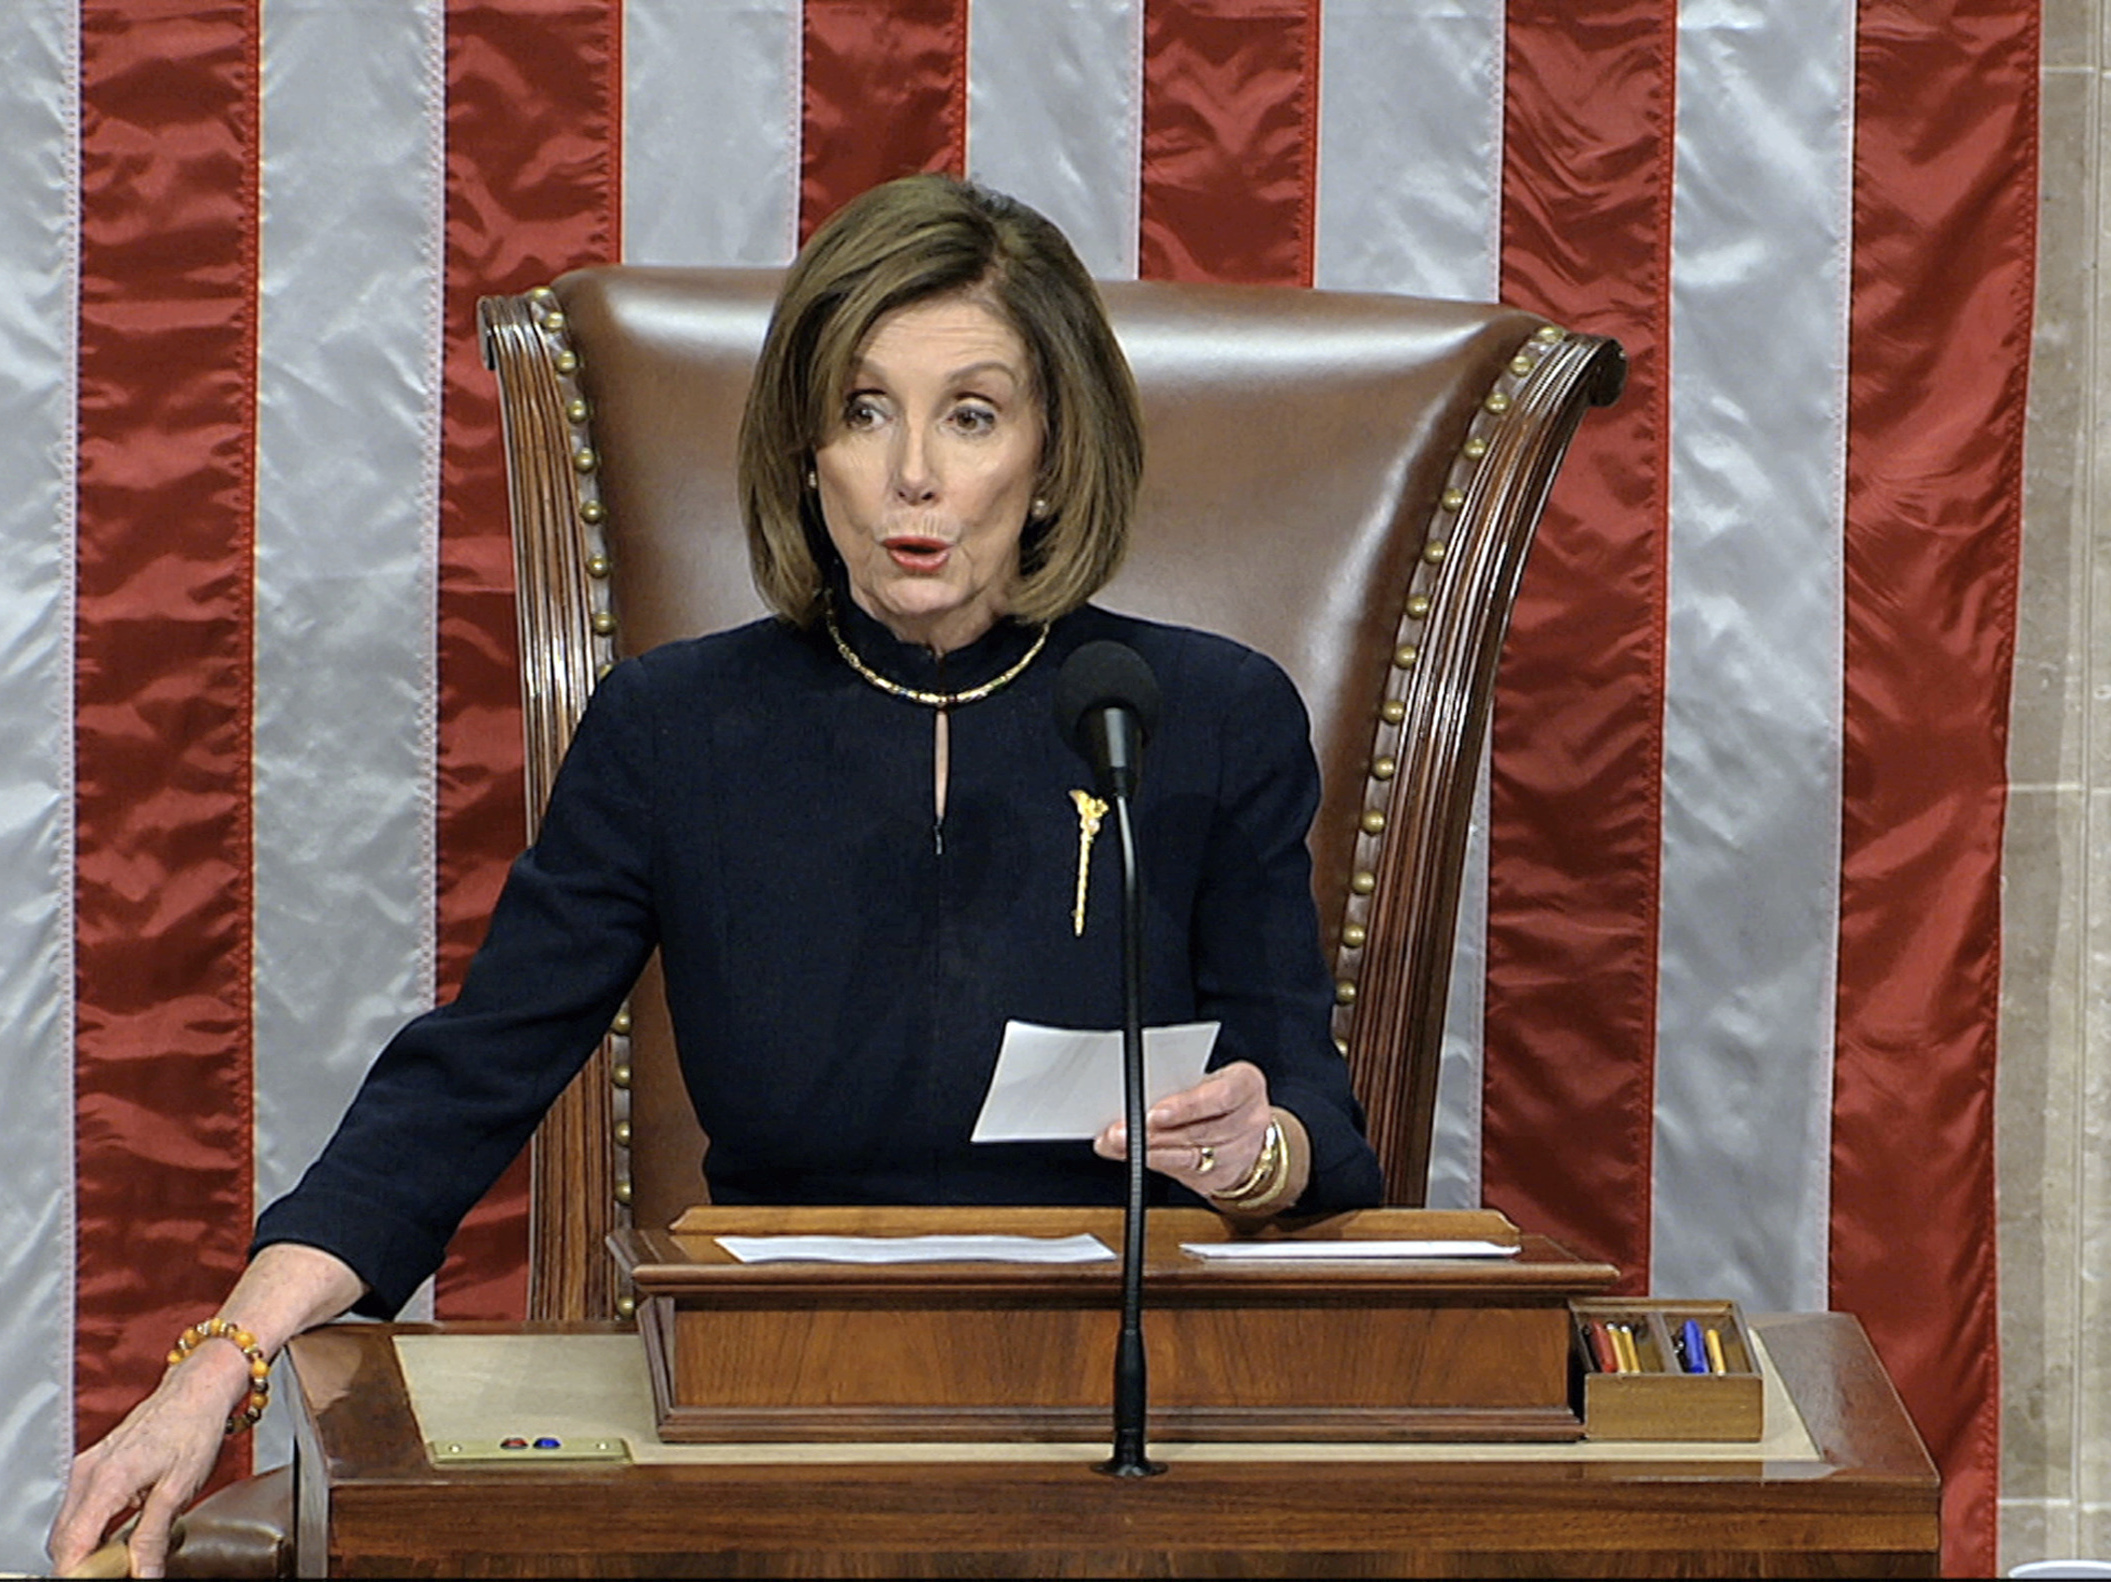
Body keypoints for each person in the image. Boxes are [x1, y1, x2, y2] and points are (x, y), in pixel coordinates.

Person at [49, 173, 1384, 1576]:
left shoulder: (1197, 714)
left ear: (1052, 456)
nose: (913, 472)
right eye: (864, 411)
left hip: (1134, 1406)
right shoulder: (677, 730)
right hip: (776, 1405)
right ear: (807, 453)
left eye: (972, 415)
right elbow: (462, 1082)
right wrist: (218, 1364)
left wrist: (1255, 1150)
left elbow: (1320, 1125)